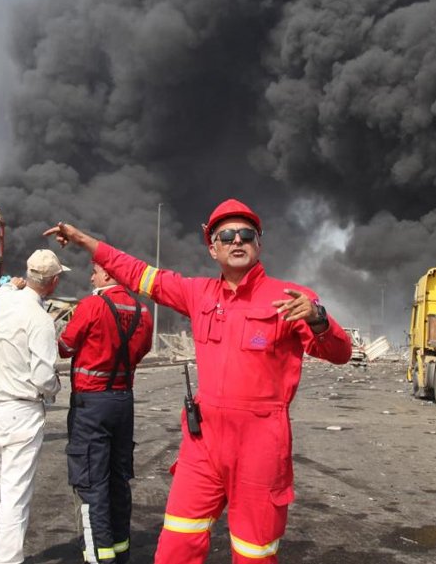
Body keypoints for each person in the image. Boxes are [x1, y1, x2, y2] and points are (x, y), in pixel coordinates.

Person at [44, 199, 353, 564]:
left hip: (260, 447)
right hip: (203, 446)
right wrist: (83, 240)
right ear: (213, 248)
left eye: (246, 234)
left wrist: (319, 319)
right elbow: (137, 272)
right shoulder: (197, 293)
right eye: (226, 235)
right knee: (176, 547)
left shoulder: (290, 298)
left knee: (254, 554)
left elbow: (340, 352)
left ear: (258, 243)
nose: (236, 241)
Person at [0, 249, 68, 564]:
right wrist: (55, 385)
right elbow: (42, 376)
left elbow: (9, 286)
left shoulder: (1, 299)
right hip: (21, 411)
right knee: (15, 490)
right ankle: (7, 558)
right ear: (53, 282)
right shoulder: (40, 320)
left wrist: (15, 284)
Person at [58, 263, 154, 563]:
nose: (91, 277)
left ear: (109, 275)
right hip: (123, 401)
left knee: (90, 483)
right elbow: (141, 350)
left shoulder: (92, 305)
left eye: (95, 272)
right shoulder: (144, 313)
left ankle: (99, 557)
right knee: (118, 479)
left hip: (91, 403)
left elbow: (65, 346)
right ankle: (120, 552)